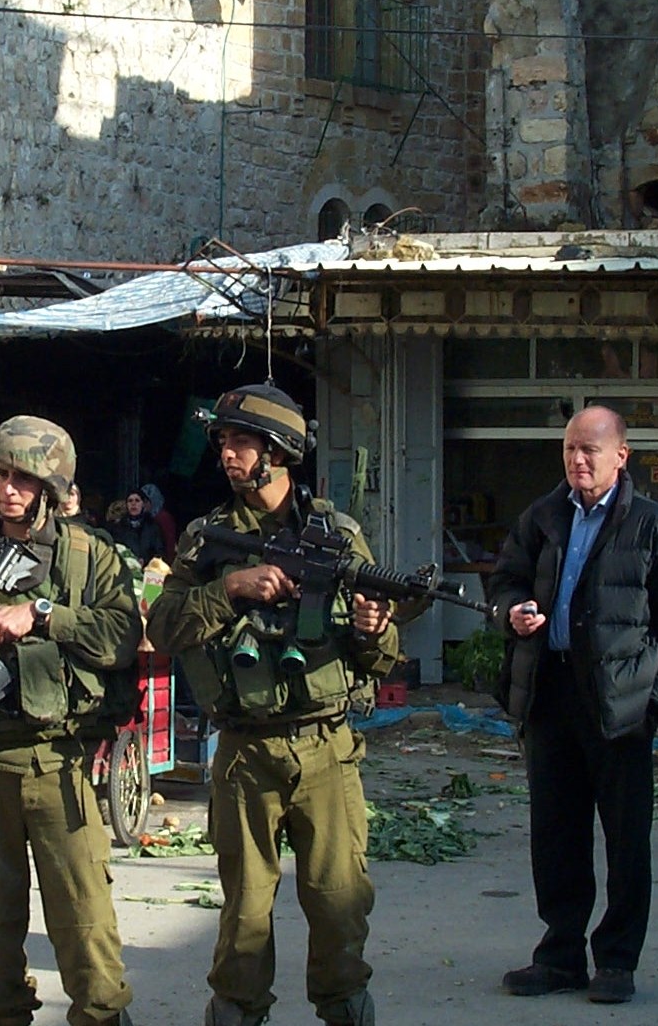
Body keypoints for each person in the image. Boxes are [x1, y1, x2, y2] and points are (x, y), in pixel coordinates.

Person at [147, 383, 397, 1026]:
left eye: (241, 442)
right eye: (224, 442)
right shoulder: (207, 538)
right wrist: (231, 588)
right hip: (244, 751)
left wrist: (374, 630)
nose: (227, 454)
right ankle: (237, 1011)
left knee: (341, 902)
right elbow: (165, 626)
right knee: (245, 912)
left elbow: (381, 657)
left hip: (326, 747)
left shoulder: (338, 535)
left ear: (278, 452)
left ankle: (344, 1007)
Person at [0, 415, 139, 1026]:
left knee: (87, 928)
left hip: (57, 763)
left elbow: (123, 636)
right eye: (0, 475)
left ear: (51, 487)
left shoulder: (89, 554)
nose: (7, 488)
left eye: (23, 478)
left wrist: (42, 613)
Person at [486, 405, 658, 1006]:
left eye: (590, 450)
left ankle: (616, 961)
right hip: (550, 696)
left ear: (621, 456)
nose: (578, 461)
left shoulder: (657, 528)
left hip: (619, 707)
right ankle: (559, 955)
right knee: (555, 835)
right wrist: (511, 612)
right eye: (570, 449)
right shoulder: (543, 516)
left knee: (625, 840)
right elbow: (504, 580)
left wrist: (654, 704)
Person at [109, 488, 165, 567]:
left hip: (148, 570)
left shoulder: (153, 527)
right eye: (130, 501)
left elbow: (160, 552)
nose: (133, 504)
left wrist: (145, 560)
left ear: (143, 504)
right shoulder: (118, 528)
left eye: (137, 500)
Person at [140, 482, 178, 560]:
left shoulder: (163, 517)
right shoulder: (142, 518)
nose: (142, 505)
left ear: (153, 500)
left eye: (145, 501)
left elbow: (169, 543)